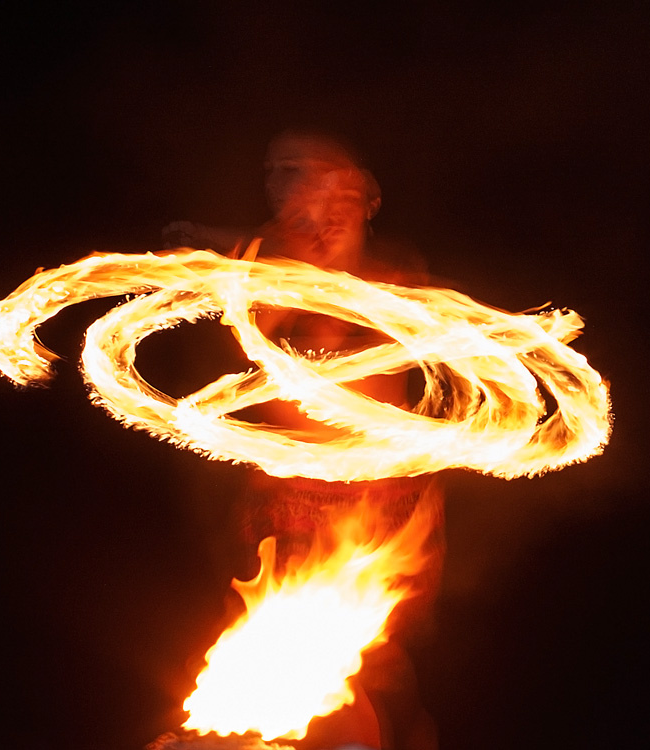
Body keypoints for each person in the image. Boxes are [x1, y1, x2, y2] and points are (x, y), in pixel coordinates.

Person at [165, 131, 442, 750]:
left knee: (378, 667)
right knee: (293, 650)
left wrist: (312, 257)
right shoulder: (273, 257)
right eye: (274, 170)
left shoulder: (392, 268)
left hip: (378, 499)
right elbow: (256, 318)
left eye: (297, 169)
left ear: (360, 192)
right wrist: (233, 250)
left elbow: (378, 312)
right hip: (289, 495)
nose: (278, 182)